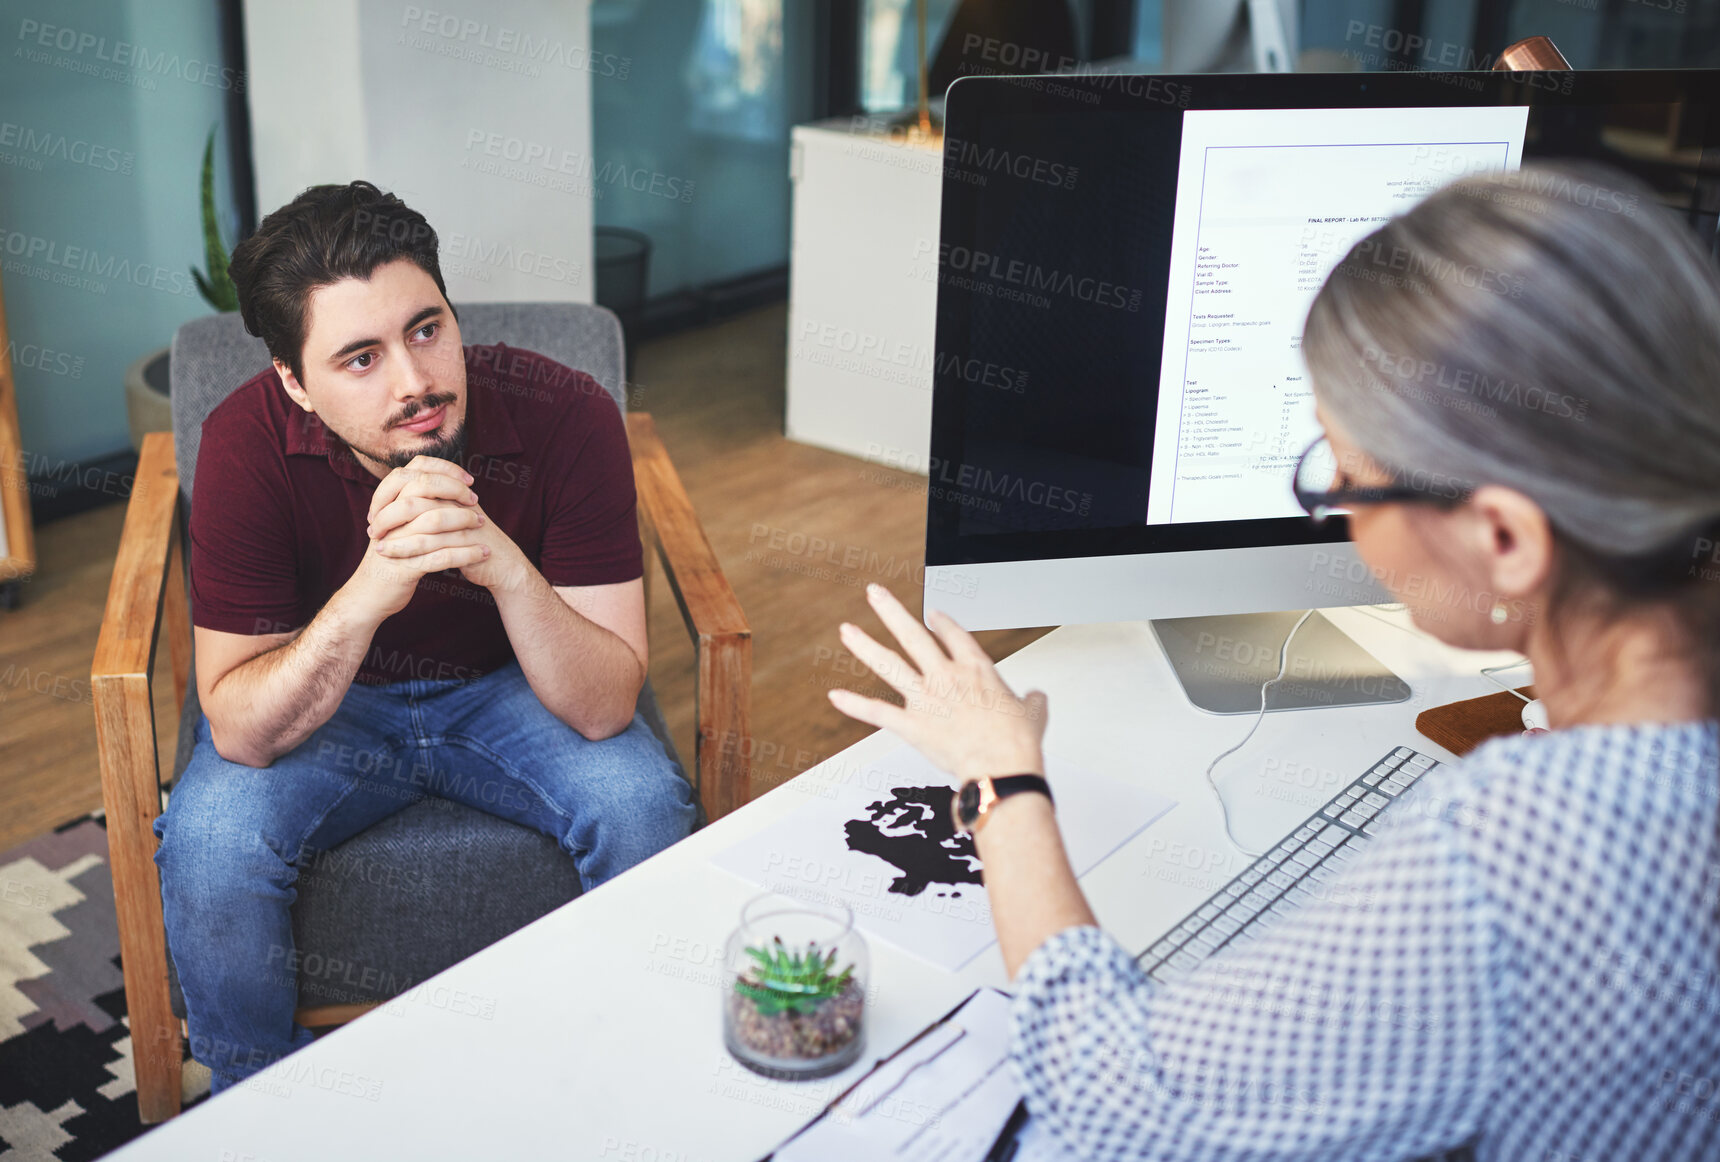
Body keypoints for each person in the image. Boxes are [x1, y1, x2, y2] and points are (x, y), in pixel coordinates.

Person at [829, 160, 1720, 1160]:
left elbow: (1114, 1093)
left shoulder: (1511, 850)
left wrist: (1001, 774)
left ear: (1504, 539)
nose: (1334, 507)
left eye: (1347, 475)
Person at [152, 180, 696, 1095]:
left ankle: (645, 1073)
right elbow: (241, 726)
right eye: (359, 359)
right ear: (294, 382)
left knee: (643, 804)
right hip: (335, 706)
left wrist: (503, 562)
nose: (416, 384)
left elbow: (605, 707)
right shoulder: (244, 442)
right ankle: (249, 1112)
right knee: (210, 842)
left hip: (511, 687)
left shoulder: (567, 412)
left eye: (426, 329)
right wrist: (369, 595)